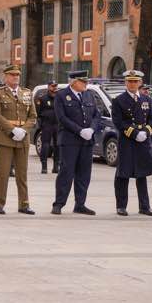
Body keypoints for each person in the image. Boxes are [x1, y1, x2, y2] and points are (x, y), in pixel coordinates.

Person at [0, 65, 37, 215]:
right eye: (12, 75)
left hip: (22, 137)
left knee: (22, 174)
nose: (15, 77)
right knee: (3, 173)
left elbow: (33, 116)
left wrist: (24, 130)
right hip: (5, 137)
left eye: (17, 75)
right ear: (6, 77)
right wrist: (12, 129)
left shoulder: (27, 93)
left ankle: (24, 204)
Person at [111, 70, 152, 217]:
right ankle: (121, 206)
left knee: (142, 174)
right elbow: (118, 122)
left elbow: (151, 119)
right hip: (127, 141)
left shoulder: (147, 100)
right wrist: (135, 133)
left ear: (140, 83)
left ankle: (145, 206)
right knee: (123, 174)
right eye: (129, 81)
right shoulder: (118, 100)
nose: (132, 84)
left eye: (135, 81)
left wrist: (147, 132)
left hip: (143, 142)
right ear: (126, 83)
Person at [52, 70, 98, 216]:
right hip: (69, 140)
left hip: (87, 141)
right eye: (83, 81)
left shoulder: (89, 94)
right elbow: (62, 118)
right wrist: (79, 131)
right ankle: (59, 203)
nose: (86, 84)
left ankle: (80, 204)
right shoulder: (61, 95)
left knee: (84, 174)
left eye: (86, 81)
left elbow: (96, 114)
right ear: (73, 82)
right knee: (66, 172)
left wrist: (91, 129)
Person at [34, 81, 60, 174]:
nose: (54, 88)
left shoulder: (59, 98)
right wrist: (41, 125)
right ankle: (44, 166)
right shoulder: (42, 98)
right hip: (47, 124)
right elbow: (37, 113)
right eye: (52, 86)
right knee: (45, 145)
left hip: (57, 125)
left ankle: (56, 166)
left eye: (55, 86)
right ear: (48, 87)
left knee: (58, 145)